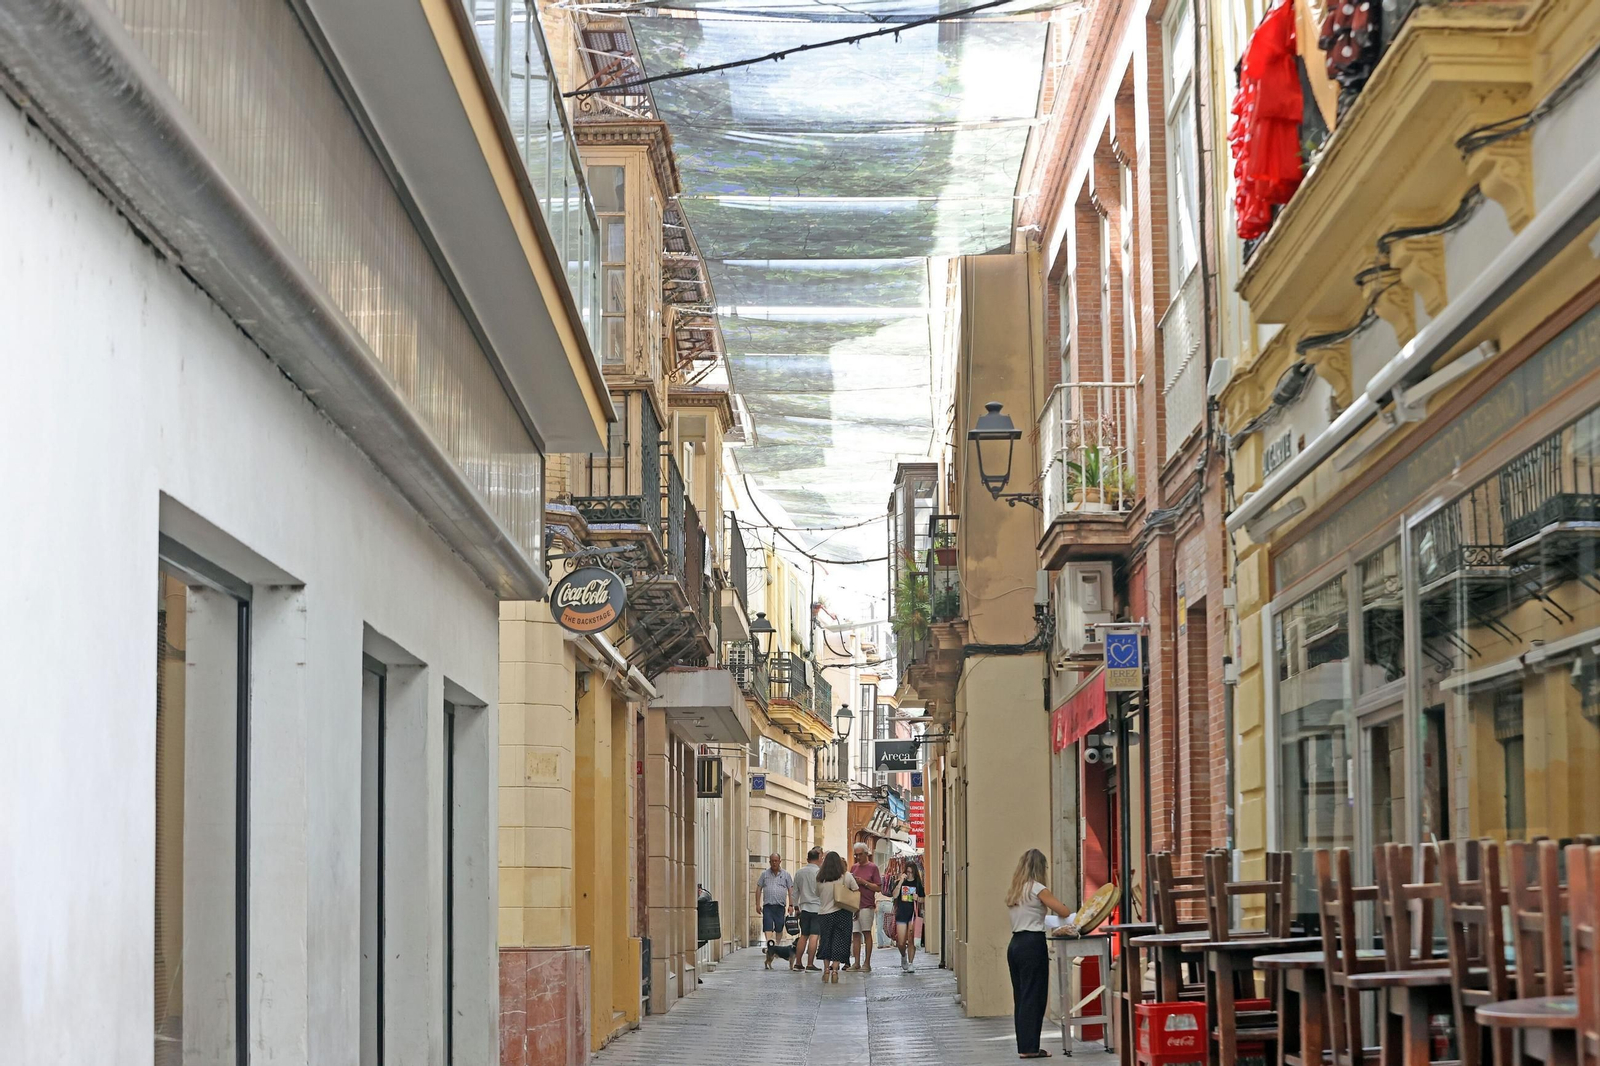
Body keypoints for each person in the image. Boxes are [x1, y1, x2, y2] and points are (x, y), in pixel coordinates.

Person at [1006, 848, 1074, 1059]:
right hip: (1032, 944)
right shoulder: (1038, 889)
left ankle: (1025, 1045)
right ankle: (1030, 1047)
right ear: (1040, 868)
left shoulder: (1016, 890)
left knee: (1021, 996)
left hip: (1015, 944)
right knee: (1034, 996)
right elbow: (1063, 911)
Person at [815, 851, 859, 983]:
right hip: (842, 913)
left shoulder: (820, 878)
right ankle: (835, 969)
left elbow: (817, 894)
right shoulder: (846, 876)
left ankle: (826, 969)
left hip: (824, 914)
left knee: (826, 941)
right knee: (840, 941)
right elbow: (856, 890)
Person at [848, 842, 882, 971]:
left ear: (866, 854)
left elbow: (878, 887)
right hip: (855, 905)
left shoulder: (873, 867)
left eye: (860, 854)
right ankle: (856, 963)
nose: (858, 857)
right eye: (856, 855)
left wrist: (864, 883)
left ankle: (867, 963)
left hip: (867, 905)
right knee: (855, 934)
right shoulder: (854, 868)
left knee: (867, 932)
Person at [792, 846, 824, 971]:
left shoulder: (799, 872)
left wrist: (796, 906)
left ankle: (798, 963)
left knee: (803, 935)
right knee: (814, 936)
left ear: (807, 859)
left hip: (804, 908)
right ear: (819, 858)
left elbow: (795, 892)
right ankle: (810, 964)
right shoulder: (820, 873)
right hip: (817, 908)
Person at [890, 857, 925, 973]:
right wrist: (900, 882)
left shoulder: (918, 883)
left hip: (912, 914)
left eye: (911, 872)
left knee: (910, 939)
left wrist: (918, 898)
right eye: (907, 872)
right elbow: (894, 895)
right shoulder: (900, 881)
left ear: (914, 872)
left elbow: (923, 899)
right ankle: (903, 955)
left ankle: (911, 963)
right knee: (900, 942)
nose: (909, 874)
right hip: (901, 913)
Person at [755, 853, 794, 952]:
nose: (774, 863)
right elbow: (759, 888)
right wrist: (757, 904)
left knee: (779, 926)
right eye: (772, 861)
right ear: (770, 862)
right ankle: (769, 946)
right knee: (767, 925)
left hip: (780, 906)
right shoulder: (764, 874)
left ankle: (777, 945)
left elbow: (790, 890)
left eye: (776, 861)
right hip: (768, 905)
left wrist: (791, 905)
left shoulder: (786, 875)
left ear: (780, 861)